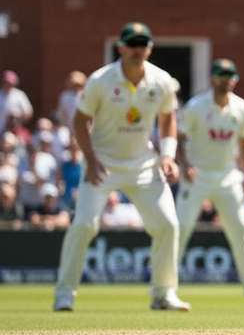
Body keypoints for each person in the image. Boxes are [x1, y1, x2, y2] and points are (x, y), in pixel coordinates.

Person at [54, 22, 190, 312]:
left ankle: (163, 293)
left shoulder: (162, 80)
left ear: (150, 48)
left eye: (143, 44)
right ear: (121, 48)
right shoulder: (100, 80)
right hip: (102, 163)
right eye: (133, 44)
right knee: (84, 225)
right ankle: (64, 293)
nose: (138, 50)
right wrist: (90, 160)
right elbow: (79, 121)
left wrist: (167, 155)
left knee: (167, 224)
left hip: (143, 163)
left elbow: (168, 119)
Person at [175, 59, 244, 298]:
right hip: (196, 176)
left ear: (235, 79)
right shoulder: (196, 106)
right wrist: (185, 164)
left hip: (228, 177)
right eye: (221, 75)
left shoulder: (242, 108)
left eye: (230, 75)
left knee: (241, 229)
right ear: (212, 79)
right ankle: (165, 286)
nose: (226, 80)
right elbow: (178, 139)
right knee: (180, 230)